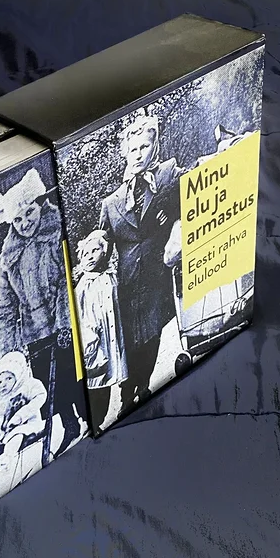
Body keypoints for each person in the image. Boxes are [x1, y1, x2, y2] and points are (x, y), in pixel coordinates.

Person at [0, 167, 87, 453]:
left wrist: (65, 322)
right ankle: (70, 425)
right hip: (35, 330)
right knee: (51, 384)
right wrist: (2, 352)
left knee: (73, 372)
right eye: (17, 219)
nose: (25, 223)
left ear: (40, 205)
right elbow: (4, 305)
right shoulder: (8, 256)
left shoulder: (57, 231)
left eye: (29, 213)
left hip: (64, 320)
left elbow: (66, 280)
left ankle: (91, 416)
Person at [100, 115, 183, 407]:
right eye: (133, 149)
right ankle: (128, 394)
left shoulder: (168, 174)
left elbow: (190, 195)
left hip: (157, 274)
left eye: (144, 147)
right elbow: (102, 246)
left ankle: (143, 386)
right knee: (130, 340)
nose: (138, 155)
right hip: (127, 285)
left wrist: (173, 219)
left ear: (154, 146)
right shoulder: (111, 203)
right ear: (125, 153)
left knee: (151, 333)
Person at [0, 351, 48, 500]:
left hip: (23, 425)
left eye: (9, 378)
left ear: (17, 378)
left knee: (16, 435)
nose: (4, 384)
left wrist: (21, 415)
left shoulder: (25, 387)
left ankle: (7, 456)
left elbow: (40, 395)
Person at [74, 230, 128, 389]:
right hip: (95, 336)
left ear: (104, 252)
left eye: (95, 251)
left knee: (116, 362)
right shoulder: (83, 286)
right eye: (85, 254)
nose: (90, 257)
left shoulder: (110, 275)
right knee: (99, 376)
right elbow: (80, 316)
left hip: (112, 328)